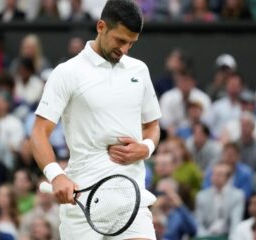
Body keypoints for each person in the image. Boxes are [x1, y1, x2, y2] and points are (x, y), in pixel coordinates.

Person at [30, 0, 161, 239]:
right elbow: (39, 131)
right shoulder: (67, 73)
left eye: (131, 43)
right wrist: (56, 175)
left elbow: (152, 125)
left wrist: (146, 148)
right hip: (83, 205)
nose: (125, 50)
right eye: (120, 40)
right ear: (101, 26)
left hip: (131, 203)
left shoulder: (139, 70)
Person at [195, 162, 245, 237]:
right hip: (207, 235)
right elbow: (198, 223)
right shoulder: (201, 196)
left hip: (227, 235)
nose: (216, 177)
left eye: (220, 175)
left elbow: (235, 223)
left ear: (228, 178)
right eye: (214, 174)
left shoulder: (237, 195)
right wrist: (205, 237)